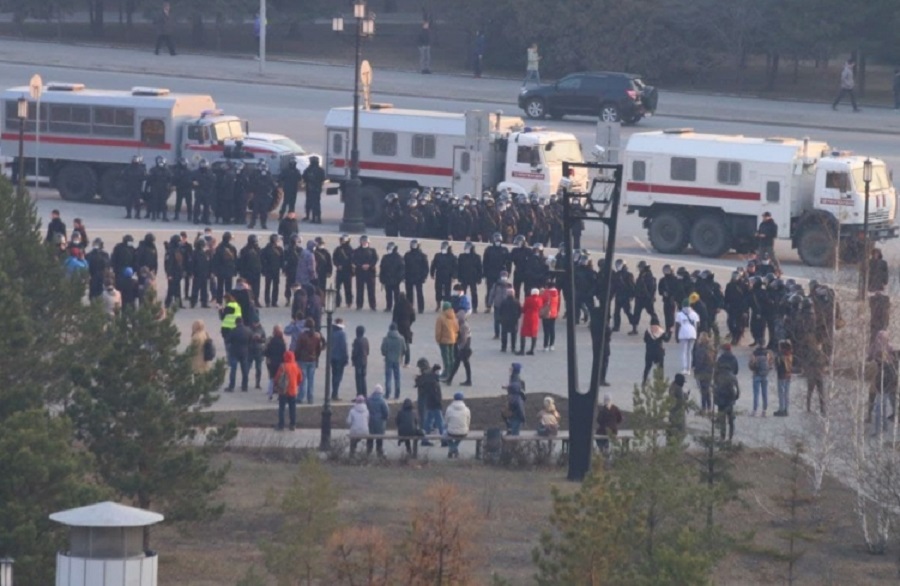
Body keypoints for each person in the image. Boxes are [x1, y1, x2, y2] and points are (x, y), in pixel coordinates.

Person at [295, 317, 324, 404]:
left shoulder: (302, 336)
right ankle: (310, 398)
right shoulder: (317, 336)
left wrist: (296, 358)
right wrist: (316, 357)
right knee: (311, 380)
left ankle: (300, 397)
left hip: (303, 359)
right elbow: (319, 349)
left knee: (302, 380)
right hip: (313, 360)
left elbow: (298, 349)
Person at [273, 350, 301, 431]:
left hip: (283, 390)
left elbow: (277, 377)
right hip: (293, 390)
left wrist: (276, 385)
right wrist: (296, 384)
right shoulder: (296, 366)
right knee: (293, 408)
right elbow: (300, 378)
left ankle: (281, 425)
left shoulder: (283, 366)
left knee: (282, 408)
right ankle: (293, 424)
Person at [381, 323, 408, 400]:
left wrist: (386, 354)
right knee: (397, 377)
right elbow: (405, 349)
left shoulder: (386, 339)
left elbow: (383, 350)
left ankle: (387, 393)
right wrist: (400, 355)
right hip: (397, 359)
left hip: (388, 359)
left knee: (388, 377)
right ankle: (397, 394)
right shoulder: (401, 338)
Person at [446, 309, 472, 386]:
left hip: (464, 348)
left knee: (457, 363)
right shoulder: (464, 324)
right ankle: (468, 380)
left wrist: (459, 347)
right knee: (465, 364)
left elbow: (463, 339)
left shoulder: (463, 326)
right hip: (465, 347)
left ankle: (450, 379)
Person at [714, 367, 740, 442]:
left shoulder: (718, 376)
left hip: (721, 402)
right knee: (731, 420)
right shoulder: (732, 376)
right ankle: (730, 437)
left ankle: (722, 437)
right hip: (729, 401)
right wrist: (735, 398)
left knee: (722, 421)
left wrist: (716, 400)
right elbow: (738, 390)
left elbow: (715, 389)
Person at [693, 332, 715, 416]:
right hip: (709, 371)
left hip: (702, 372)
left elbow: (699, 361)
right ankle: (709, 407)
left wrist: (696, 370)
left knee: (703, 391)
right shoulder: (711, 348)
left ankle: (703, 408)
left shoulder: (700, 349)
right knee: (707, 390)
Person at [642, 317, 670, 385]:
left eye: (655, 326)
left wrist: (669, 332)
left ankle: (660, 382)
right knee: (647, 367)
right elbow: (645, 340)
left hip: (658, 353)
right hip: (649, 352)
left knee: (660, 368)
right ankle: (644, 381)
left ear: (658, 326)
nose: (654, 328)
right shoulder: (648, 332)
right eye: (652, 326)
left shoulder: (661, 332)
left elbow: (666, 340)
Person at [674, 299, 699, 374]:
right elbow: (697, 325)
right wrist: (696, 335)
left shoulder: (679, 314)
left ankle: (684, 368)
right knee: (690, 352)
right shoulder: (694, 314)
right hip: (693, 334)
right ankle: (689, 369)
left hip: (683, 333)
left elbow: (677, 326)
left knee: (684, 352)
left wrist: (676, 336)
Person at [226, 317, 251, 392]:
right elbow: (251, 340)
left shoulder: (233, 331)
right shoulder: (248, 330)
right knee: (244, 370)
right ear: (242, 322)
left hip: (234, 352)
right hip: (244, 352)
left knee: (233, 369)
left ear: (236, 323)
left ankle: (231, 386)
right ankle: (245, 386)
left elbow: (228, 340)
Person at [422, 364, 445, 444]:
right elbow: (435, 394)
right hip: (435, 405)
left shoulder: (430, 379)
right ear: (436, 371)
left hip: (429, 404)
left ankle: (424, 439)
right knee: (440, 423)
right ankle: (444, 439)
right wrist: (439, 403)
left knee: (428, 422)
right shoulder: (433, 381)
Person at [435, 301, 459, 376]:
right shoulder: (453, 316)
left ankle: (446, 372)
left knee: (446, 357)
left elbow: (438, 331)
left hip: (444, 341)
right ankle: (452, 371)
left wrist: (438, 339)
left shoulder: (441, 318)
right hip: (452, 340)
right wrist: (455, 337)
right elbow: (457, 328)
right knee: (451, 356)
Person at [392, 291, 416, 367]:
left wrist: (394, 326)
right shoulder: (409, 305)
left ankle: (399, 359)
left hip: (399, 327)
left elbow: (394, 317)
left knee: (398, 343)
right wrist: (409, 323)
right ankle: (407, 361)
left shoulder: (397, 305)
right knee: (406, 343)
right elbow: (413, 317)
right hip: (406, 327)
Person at [749, 344, 773, 417]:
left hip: (756, 375)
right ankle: (764, 410)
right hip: (764, 376)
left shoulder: (754, 353)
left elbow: (751, 365)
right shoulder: (767, 353)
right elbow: (770, 365)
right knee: (765, 393)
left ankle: (755, 410)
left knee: (756, 394)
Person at [445, 392, 471, 458]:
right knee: (461, 435)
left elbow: (446, 420)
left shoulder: (449, 408)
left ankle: (452, 449)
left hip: (451, 432)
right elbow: (468, 421)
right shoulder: (466, 409)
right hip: (463, 432)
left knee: (444, 433)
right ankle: (454, 449)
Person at [366, 385, 390, 456]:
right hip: (380, 422)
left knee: (370, 437)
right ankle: (379, 452)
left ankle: (368, 451)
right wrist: (385, 418)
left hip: (370, 421)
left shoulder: (369, 400)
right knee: (379, 438)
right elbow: (386, 412)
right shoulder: (382, 401)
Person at [518, 288, 543, 355]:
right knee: (534, 333)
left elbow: (524, 308)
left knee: (523, 333)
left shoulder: (528, 299)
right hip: (535, 317)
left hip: (528, 316)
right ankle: (532, 350)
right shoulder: (540, 300)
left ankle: (522, 350)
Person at [503, 363, 526, 435]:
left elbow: (520, 408)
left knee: (514, 433)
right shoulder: (514, 378)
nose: (509, 369)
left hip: (515, 417)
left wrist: (523, 418)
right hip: (514, 415)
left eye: (511, 368)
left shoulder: (515, 398)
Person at [264, 325, 287, 399]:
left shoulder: (271, 341)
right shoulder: (282, 343)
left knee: (271, 378)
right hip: (280, 363)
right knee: (280, 379)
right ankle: (279, 395)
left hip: (271, 362)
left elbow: (267, 352)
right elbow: (284, 353)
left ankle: (270, 394)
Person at [302, 156, 326, 224]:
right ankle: (318, 218)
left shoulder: (309, 169)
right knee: (316, 203)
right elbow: (323, 179)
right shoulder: (321, 170)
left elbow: (304, 177)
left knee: (310, 203)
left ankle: (311, 217)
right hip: (317, 189)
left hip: (310, 189)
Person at [329, 318, 349, 401]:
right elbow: (344, 347)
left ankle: (333, 392)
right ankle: (335, 393)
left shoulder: (331, 333)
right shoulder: (342, 334)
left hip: (332, 357)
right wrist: (346, 357)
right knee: (338, 376)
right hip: (340, 358)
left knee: (334, 375)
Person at [774, 340, 793, 417]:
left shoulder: (780, 356)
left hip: (781, 375)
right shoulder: (790, 355)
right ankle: (786, 409)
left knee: (781, 393)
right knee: (786, 393)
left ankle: (781, 409)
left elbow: (777, 365)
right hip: (788, 375)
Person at [540, 279, 560, 351]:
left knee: (546, 330)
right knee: (552, 329)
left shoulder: (546, 293)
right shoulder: (557, 293)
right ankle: (552, 345)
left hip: (546, 313)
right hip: (554, 313)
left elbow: (541, 301)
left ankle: (545, 345)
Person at [667, 373, 688, 443]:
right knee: (681, 431)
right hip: (678, 414)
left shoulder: (672, 387)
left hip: (672, 413)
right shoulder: (678, 389)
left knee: (672, 431)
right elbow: (681, 401)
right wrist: (686, 396)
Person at [352, 325, 369, 397]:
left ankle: (359, 394)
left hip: (358, 362)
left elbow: (355, 352)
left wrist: (353, 359)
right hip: (364, 361)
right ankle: (364, 393)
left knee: (358, 379)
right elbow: (368, 351)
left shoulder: (357, 340)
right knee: (363, 377)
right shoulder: (366, 340)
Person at [249, 320, 267, 390]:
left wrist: (260, 339)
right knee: (247, 367)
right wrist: (252, 338)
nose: (255, 324)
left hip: (259, 351)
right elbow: (247, 338)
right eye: (254, 322)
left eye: (257, 322)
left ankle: (257, 383)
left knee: (258, 368)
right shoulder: (249, 329)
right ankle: (245, 382)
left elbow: (265, 339)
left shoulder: (261, 330)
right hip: (250, 350)